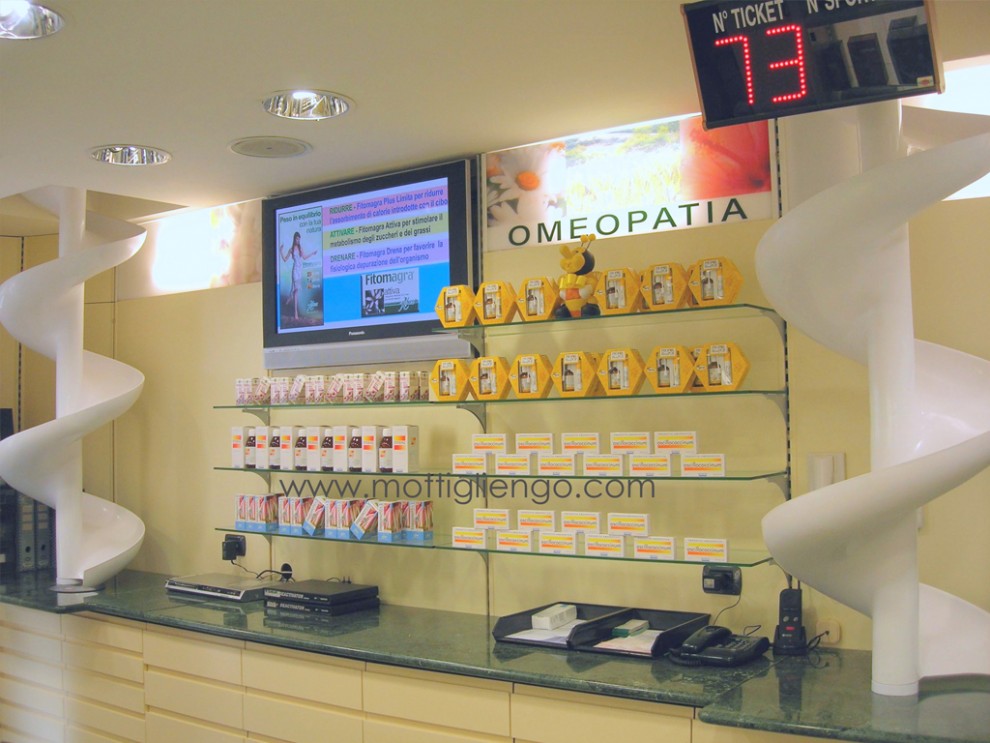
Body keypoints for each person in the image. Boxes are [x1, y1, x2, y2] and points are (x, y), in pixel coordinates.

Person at [279, 232, 316, 321]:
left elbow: (305, 257)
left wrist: (312, 253)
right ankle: (291, 297)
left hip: (300, 270)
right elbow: (285, 259)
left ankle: (294, 307)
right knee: (295, 288)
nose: (298, 240)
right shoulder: (291, 249)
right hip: (295, 269)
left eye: (299, 239)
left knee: (296, 291)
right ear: (294, 239)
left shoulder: (300, 249)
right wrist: (280, 251)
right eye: (297, 239)